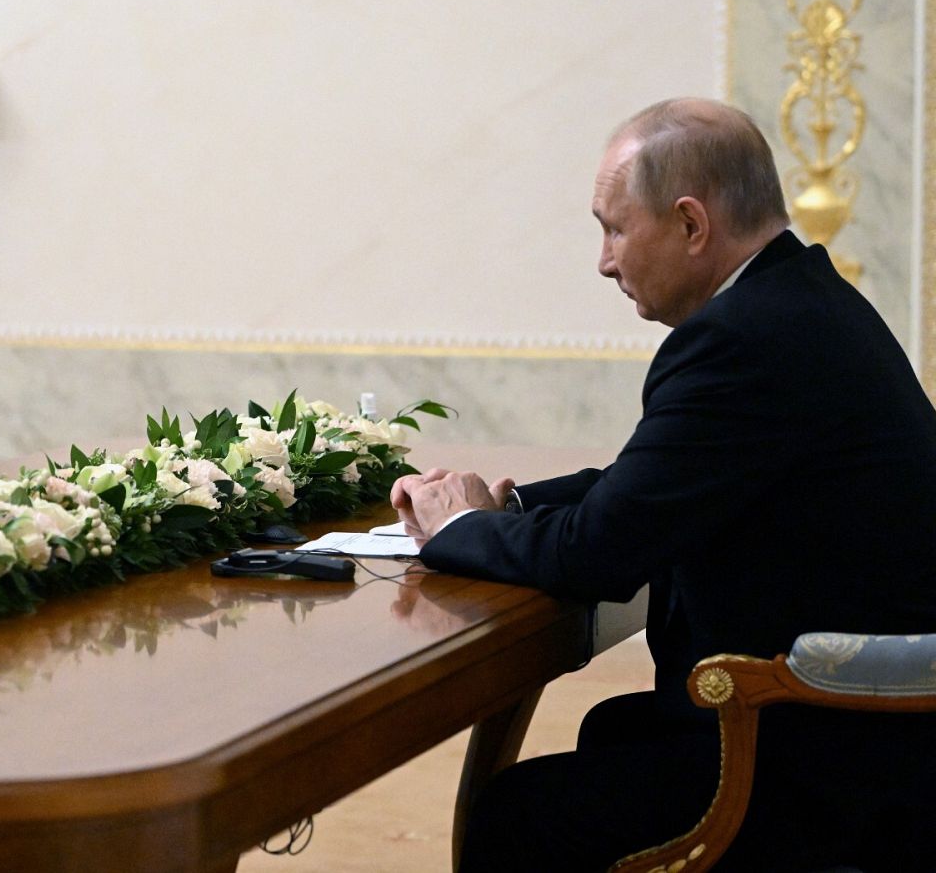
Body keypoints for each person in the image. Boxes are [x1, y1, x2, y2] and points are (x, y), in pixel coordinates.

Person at [394, 98, 936, 870]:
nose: (606, 261)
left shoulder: (741, 341)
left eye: (614, 228)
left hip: (834, 761)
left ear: (690, 224)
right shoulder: (799, 300)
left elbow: (599, 556)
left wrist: (457, 531)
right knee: (615, 733)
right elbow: (649, 484)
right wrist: (507, 507)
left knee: (518, 818)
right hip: (872, 737)